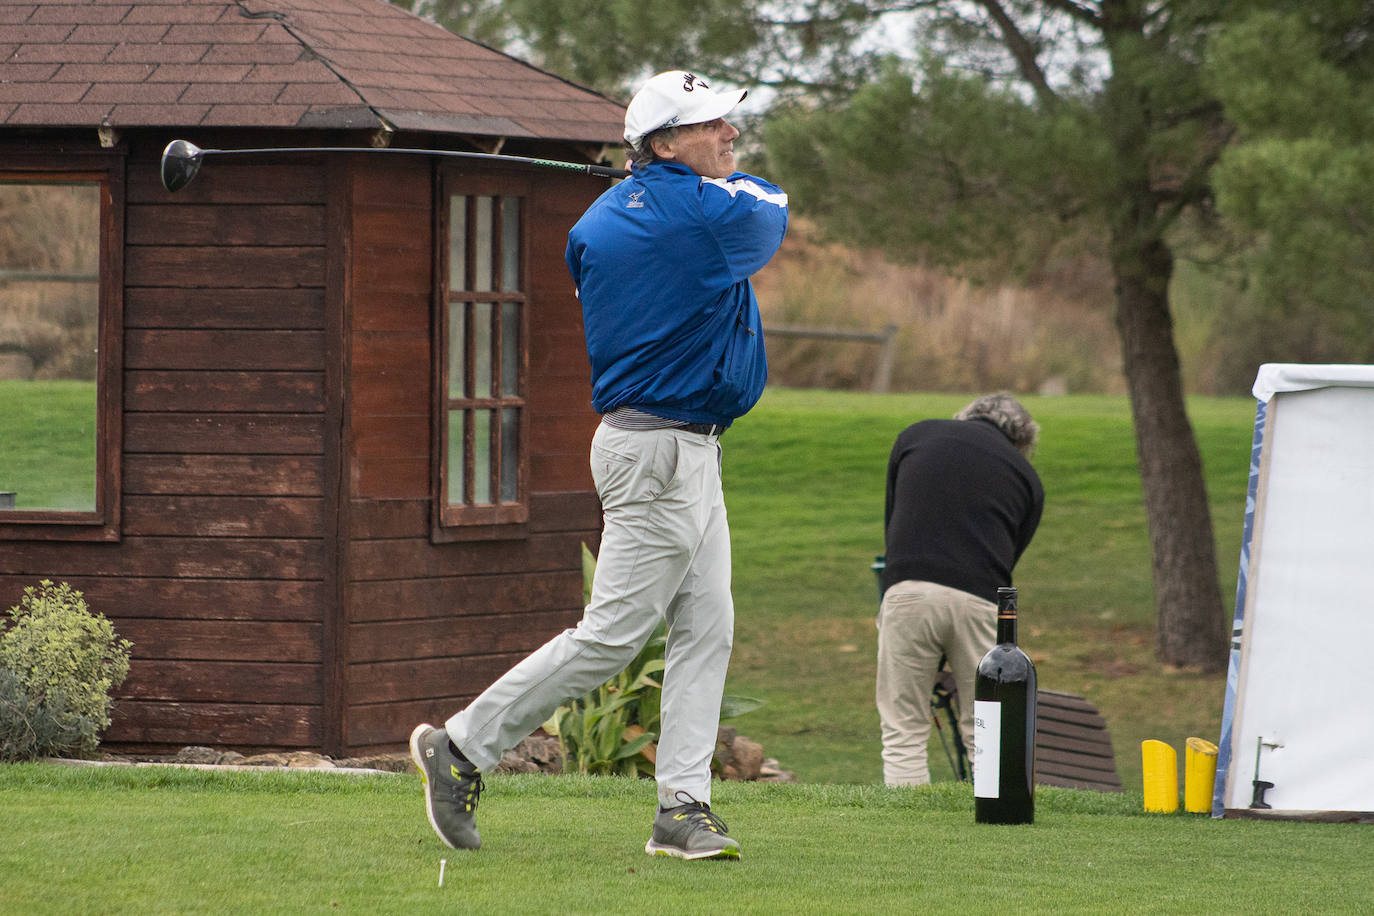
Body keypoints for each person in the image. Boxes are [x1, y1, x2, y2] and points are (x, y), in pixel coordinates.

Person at [409, 70, 788, 861]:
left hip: (677, 445)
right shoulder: (702, 216)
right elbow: (772, 207)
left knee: (705, 626)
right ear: (664, 142)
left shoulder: (600, 222)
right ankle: (463, 745)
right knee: (613, 636)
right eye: (712, 124)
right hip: (660, 450)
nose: (731, 134)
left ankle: (682, 808)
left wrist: (655, 184)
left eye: (727, 121)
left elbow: (664, 229)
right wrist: (677, 188)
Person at [876, 393, 1044, 786]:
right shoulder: (1027, 477)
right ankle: (993, 818)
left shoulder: (915, 436)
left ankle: (906, 825)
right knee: (986, 726)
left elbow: (893, 522)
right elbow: (1010, 556)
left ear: (965, 415)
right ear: (1022, 441)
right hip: (981, 600)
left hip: (907, 589)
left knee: (903, 727)